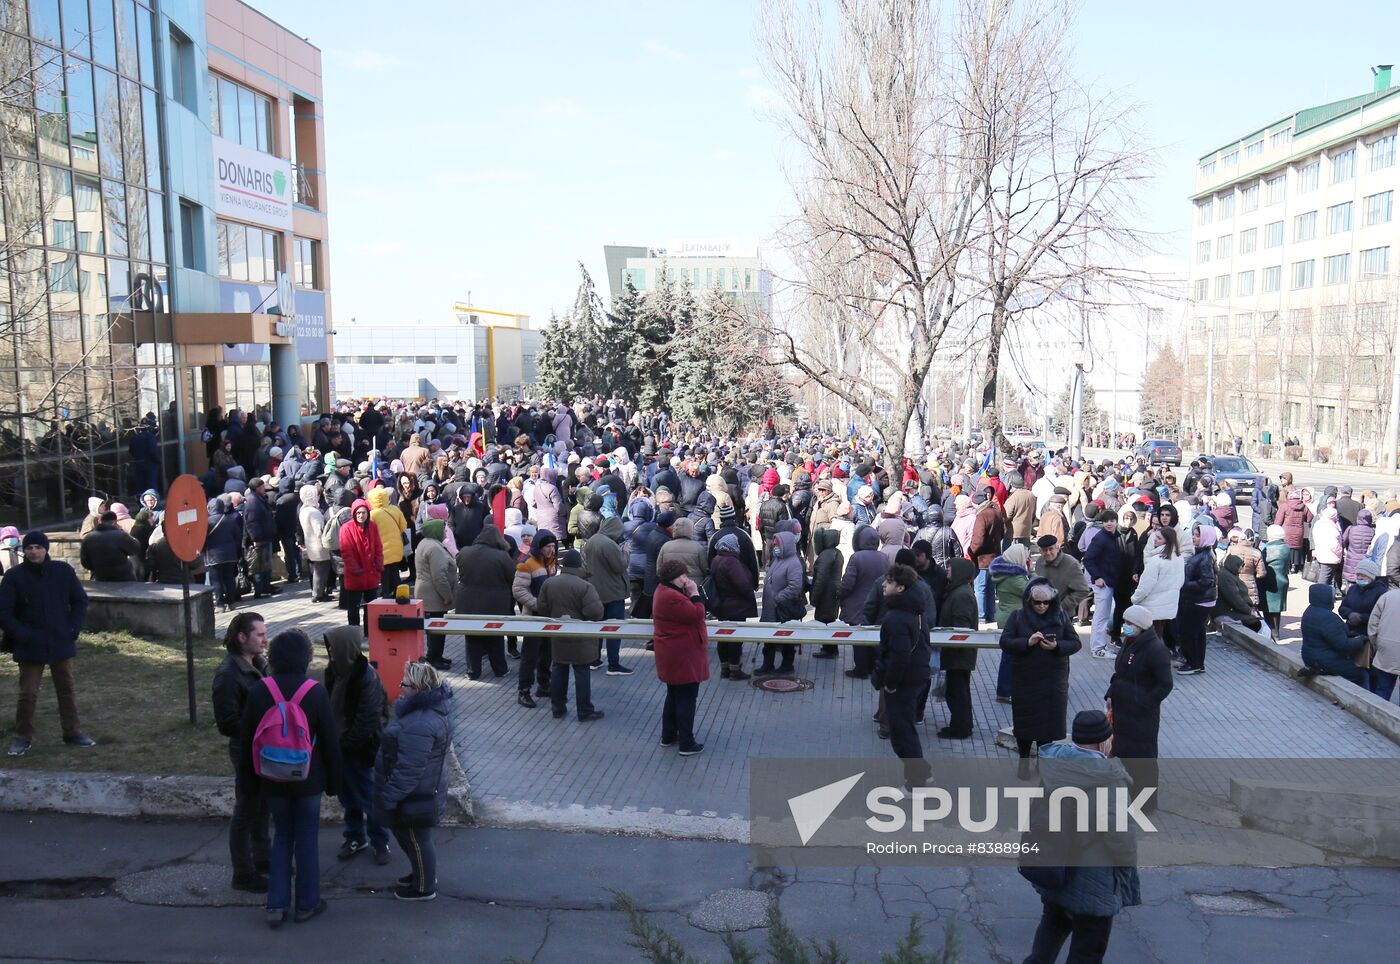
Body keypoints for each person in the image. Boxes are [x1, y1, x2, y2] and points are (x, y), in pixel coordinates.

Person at [238, 629, 341, 927]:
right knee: (307, 838)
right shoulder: (315, 691)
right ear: (305, 657)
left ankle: (276, 905)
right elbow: (331, 742)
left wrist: (248, 784)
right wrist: (335, 783)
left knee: (282, 836)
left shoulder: (259, 690)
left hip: (271, 779)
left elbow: (247, 742)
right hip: (309, 779)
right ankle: (308, 904)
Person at [1023, 710, 1142, 964]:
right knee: (1088, 950)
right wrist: (1126, 868)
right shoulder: (1108, 780)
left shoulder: (1055, 768)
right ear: (1104, 742)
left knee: (1051, 927)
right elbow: (1120, 837)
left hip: (1056, 871)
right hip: (1093, 880)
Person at [1, 531, 94, 757]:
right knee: (28, 693)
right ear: (24, 550)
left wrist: (72, 628)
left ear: (46, 549)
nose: (33, 551)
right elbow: (4, 612)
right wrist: (22, 635)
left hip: (59, 639)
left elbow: (79, 600)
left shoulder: (62, 572)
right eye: (29, 548)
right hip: (30, 643)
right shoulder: (14, 577)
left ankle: (72, 732)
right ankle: (22, 737)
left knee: (66, 689)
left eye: (38, 547)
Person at [374, 660, 452, 902]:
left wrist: (389, 796)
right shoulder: (428, 713)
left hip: (416, 793)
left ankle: (424, 887)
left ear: (417, 688)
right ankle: (421, 874)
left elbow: (409, 769)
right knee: (410, 836)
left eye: (404, 683)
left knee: (417, 840)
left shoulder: (419, 722)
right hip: (424, 789)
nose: (401, 687)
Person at [210, 612, 269, 892]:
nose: (265, 639)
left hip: (263, 746)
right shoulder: (228, 675)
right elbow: (227, 724)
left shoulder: (258, 663)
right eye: (259, 634)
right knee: (246, 808)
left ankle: (263, 859)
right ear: (241, 638)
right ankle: (243, 873)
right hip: (246, 749)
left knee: (262, 805)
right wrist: (260, 726)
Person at [322, 626, 390, 866]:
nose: (330, 653)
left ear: (344, 649)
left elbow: (368, 719)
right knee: (348, 796)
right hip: (340, 746)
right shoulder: (334, 672)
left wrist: (346, 745)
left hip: (361, 749)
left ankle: (380, 840)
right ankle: (354, 837)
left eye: (333, 648)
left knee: (367, 796)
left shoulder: (365, 676)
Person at [999, 579, 1081, 776]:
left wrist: (1057, 647)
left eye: (1046, 602)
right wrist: (1027, 642)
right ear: (1030, 601)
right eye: (1037, 602)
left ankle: (1043, 765)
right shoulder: (1018, 617)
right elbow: (1006, 642)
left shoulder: (1060, 616)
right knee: (1025, 724)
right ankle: (1024, 762)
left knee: (1048, 727)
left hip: (1053, 681)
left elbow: (1075, 643)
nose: (1042, 606)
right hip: (1026, 679)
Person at [1104, 605, 1173, 813]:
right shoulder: (1130, 642)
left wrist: (1144, 702)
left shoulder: (1155, 649)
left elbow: (1165, 684)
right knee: (1124, 756)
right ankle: (1130, 798)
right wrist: (1110, 693)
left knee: (1143, 761)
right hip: (1122, 712)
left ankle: (1146, 805)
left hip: (1141, 715)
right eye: (1125, 622)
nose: (1125, 626)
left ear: (1140, 626)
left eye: (1129, 623)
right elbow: (1121, 673)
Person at [873, 563, 933, 787]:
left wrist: (890, 684)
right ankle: (922, 771)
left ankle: (916, 781)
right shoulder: (914, 608)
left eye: (888, 582)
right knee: (904, 728)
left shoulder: (897, 617)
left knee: (902, 732)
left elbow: (899, 656)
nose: (883, 585)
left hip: (903, 681)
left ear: (900, 588)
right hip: (915, 676)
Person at [536, 549, 606, 721]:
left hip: (559, 636)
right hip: (580, 638)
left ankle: (557, 708)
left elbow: (542, 608)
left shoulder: (549, 583)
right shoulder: (585, 586)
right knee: (581, 672)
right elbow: (595, 613)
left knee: (559, 669)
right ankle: (584, 710)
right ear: (579, 565)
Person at [652, 558, 710, 755]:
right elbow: (696, 614)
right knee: (687, 698)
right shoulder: (672, 597)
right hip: (683, 654)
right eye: (683, 576)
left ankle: (668, 736)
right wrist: (694, 594)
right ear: (673, 578)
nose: (686, 579)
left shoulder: (663, 590)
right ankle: (687, 742)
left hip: (672, 653)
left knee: (674, 695)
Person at [453, 525, 514, 680]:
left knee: (472, 638)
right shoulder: (502, 556)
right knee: (495, 637)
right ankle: (500, 670)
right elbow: (512, 578)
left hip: (468, 604)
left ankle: (473, 671)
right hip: (495, 604)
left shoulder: (464, 553)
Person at [581, 516, 633, 675]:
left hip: (596, 591)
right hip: (613, 593)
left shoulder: (592, 540)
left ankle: (594, 659)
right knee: (614, 629)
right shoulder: (609, 544)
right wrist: (625, 553)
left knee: (598, 628)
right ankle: (614, 664)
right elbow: (619, 567)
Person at [512, 531, 559, 708]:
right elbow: (518, 590)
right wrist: (537, 604)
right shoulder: (526, 564)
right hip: (534, 616)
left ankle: (544, 685)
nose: (551, 550)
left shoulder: (552, 561)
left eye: (553, 546)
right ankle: (523, 691)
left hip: (548, 616)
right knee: (529, 656)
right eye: (548, 546)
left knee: (547, 653)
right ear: (539, 547)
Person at [937, 558, 980, 738]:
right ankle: (961, 725)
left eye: (951, 568)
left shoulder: (961, 595)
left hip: (959, 653)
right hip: (958, 652)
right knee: (958, 691)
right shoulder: (959, 591)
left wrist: (952, 646)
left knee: (958, 693)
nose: (948, 571)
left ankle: (960, 728)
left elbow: (960, 628)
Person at [840, 526, 890, 679]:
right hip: (879, 604)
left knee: (859, 638)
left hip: (858, 604)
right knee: (874, 636)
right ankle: (873, 666)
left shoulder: (857, 557)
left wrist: (840, 594)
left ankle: (861, 669)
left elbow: (848, 582)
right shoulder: (883, 557)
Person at [709, 532, 756, 680]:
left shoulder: (717, 559)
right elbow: (742, 584)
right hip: (735, 606)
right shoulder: (731, 562)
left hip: (722, 605)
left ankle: (724, 669)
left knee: (723, 638)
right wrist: (750, 594)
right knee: (735, 639)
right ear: (732, 546)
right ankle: (735, 670)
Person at [1299, 583, 1366, 686]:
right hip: (1324, 660)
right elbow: (1344, 645)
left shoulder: (1309, 611)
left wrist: (1349, 633)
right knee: (1360, 674)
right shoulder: (1328, 617)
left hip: (1310, 656)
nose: (1334, 600)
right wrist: (1361, 640)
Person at [1130, 527, 1184, 654]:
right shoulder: (1179, 558)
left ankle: (1151, 666)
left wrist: (1134, 599)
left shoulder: (1156, 561)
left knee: (1148, 640)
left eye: (1159, 538)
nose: (1155, 540)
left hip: (1151, 607)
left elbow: (1145, 586)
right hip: (1167, 606)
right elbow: (1180, 582)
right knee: (1158, 636)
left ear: (1167, 541)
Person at [759, 530, 806, 675]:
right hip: (771, 609)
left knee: (786, 638)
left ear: (785, 545)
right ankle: (767, 665)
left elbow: (795, 586)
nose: (774, 547)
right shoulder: (777, 559)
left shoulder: (793, 563)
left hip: (782, 608)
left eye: (776, 544)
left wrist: (778, 598)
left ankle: (787, 665)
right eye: (773, 545)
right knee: (769, 637)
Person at [412, 519, 457, 671]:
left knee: (436, 628)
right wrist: (448, 596)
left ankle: (437, 655)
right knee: (436, 628)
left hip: (427, 592)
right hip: (434, 595)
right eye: (443, 529)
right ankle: (433, 658)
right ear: (435, 530)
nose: (445, 532)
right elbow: (439, 577)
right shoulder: (435, 548)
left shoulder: (426, 543)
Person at [1176, 524, 1219, 676]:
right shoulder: (1202, 553)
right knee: (1197, 632)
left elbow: (1207, 581)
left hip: (1199, 600)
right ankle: (1197, 663)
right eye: (1194, 534)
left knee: (1189, 632)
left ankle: (1193, 663)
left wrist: (1185, 585)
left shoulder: (1205, 556)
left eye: (1197, 535)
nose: (1194, 537)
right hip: (1199, 599)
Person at [990, 544, 1031, 703]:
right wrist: (1032, 570)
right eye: (1026, 555)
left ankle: (1006, 690)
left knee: (1010, 656)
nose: (1028, 558)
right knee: (1011, 658)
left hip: (1007, 617)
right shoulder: (1014, 578)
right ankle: (1005, 692)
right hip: (1014, 620)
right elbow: (1034, 591)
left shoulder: (1004, 573)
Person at [1082, 513, 1125, 659]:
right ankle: (1098, 648)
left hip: (1109, 581)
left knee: (1104, 616)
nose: (1109, 524)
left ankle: (1100, 646)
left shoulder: (1112, 537)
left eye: (1112, 521)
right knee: (1101, 617)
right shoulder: (1101, 538)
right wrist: (1097, 577)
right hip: (1103, 583)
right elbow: (1088, 559)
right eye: (1106, 521)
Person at [338, 498, 383, 628]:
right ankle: (354, 630)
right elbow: (346, 552)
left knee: (371, 606)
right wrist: (355, 569)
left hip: (371, 573)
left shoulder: (373, 526)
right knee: (353, 607)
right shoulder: (346, 529)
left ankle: (369, 631)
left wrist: (378, 564)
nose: (361, 516)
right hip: (355, 575)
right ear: (354, 514)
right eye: (358, 513)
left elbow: (378, 546)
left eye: (363, 513)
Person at [298, 485, 333, 603]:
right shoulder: (314, 512)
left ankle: (319, 592)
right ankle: (318, 594)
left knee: (318, 570)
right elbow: (319, 531)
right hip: (319, 546)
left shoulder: (303, 510)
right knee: (321, 571)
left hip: (311, 544)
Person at [1365, 584, 1400, 700]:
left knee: (1383, 688)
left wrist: (1376, 644)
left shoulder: (1387, 596)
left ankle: (1377, 715)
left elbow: (1373, 624)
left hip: (1386, 649)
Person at [1261, 524, 1291, 637]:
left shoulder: (1268, 549)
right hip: (1282, 580)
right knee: (1276, 610)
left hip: (1269, 581)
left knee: (1268, 608)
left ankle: (1272, 633)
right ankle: (1276, 632)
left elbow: (1262, 562)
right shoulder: (1286, 548)